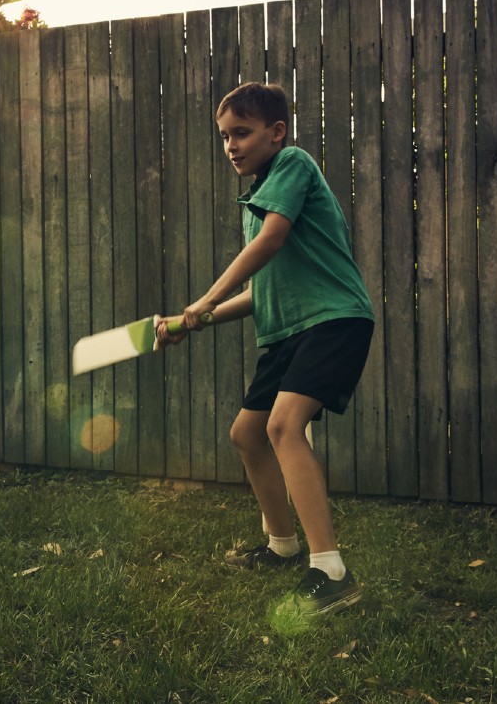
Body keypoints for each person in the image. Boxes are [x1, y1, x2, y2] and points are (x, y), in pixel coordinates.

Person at [156, 82, 375, 617]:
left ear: (276, 132)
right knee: (247, 434)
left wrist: (206, 297)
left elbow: (271, 243)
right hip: (288, 331)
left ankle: (331, 571)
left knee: (283, 426)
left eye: (243, 133)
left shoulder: (293, 166)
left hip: (335, 320)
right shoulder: (258, 199)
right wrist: (201, 317)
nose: (231, 145)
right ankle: (282, 546)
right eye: (225, 136)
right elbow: (263, 290)